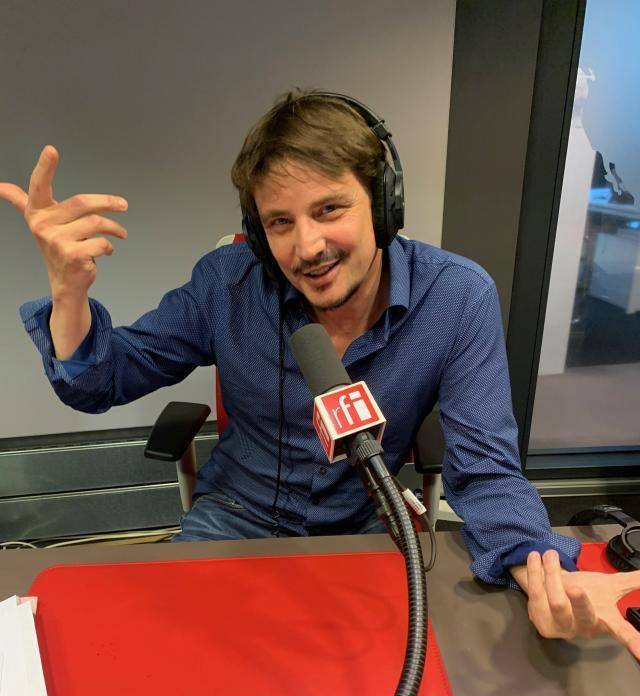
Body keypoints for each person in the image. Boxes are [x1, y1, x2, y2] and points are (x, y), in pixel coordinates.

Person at [2, 90, 639, 659]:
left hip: (365, 525)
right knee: (178, 671)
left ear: (383, 204)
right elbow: (101, 381)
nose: (306, 248)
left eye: (330, 209)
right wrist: (69, 295)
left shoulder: (456, 297)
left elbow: (488, 471)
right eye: (280, 222)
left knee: (384, 686)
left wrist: (539, 573)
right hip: (231, 516)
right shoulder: (228, 283)